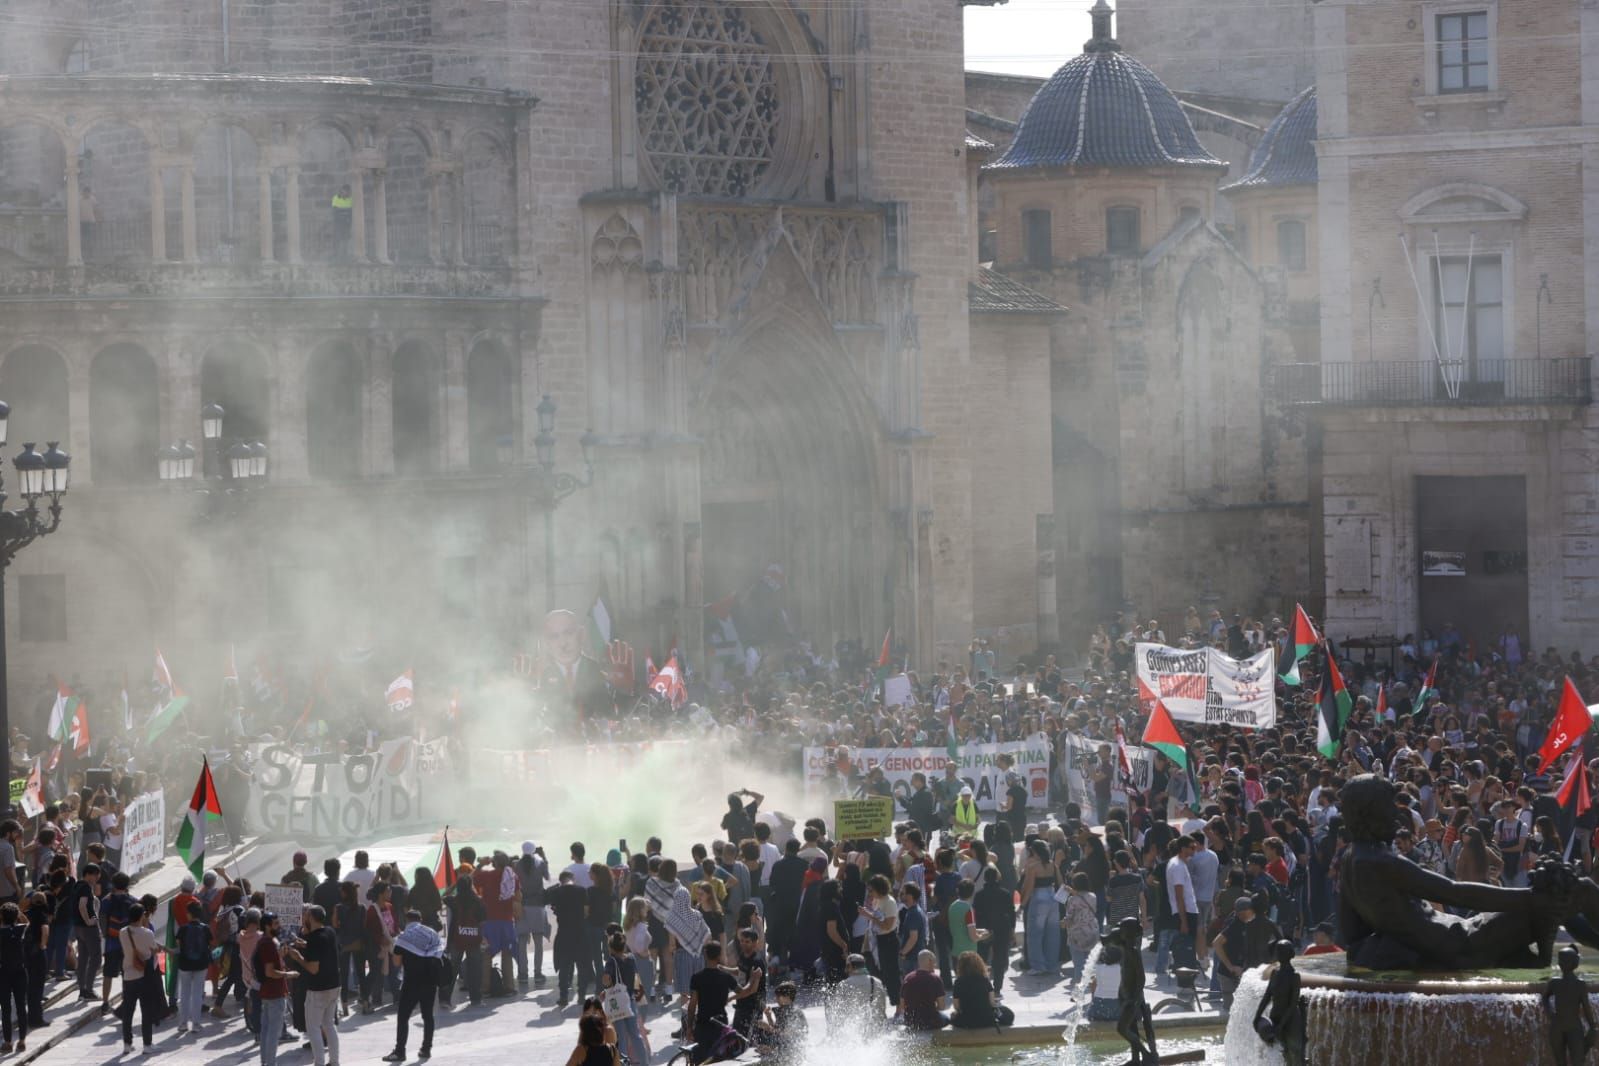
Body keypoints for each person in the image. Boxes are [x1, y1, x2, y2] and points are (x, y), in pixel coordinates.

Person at [384, 910, 442, 1062]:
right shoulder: (432, 933)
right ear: (420, 919)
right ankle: (426, 1049)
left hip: (411, 983)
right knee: (428, 1016)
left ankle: (400, 1051)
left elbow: (396, 963)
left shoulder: (404, 937)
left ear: (406, 921)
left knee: (403, 1017)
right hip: (430, 981)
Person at [286, 905, 340, 1066]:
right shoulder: (329, 931)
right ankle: (334, 1061)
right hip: (334, 985)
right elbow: (320, 947)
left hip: (319, 989)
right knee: (329, 1025)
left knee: (313, 1028)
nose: (303, 919)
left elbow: (313, 968)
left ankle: (319, 1063)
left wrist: (297, 958)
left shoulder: (315, 939)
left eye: (305, 916)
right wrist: (304, 944)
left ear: (311, 918)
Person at [686, 941, 758, 1057]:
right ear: (719, 956)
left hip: (702, 1026)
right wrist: (752, 979)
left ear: (705, 955)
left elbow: (692, 1006)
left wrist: (689, 1027)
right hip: (720, 1027)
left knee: (701, 1057)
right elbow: (745, 991)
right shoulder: (726, 977)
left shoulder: (696, 978)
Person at [116, 902, 159, 1055]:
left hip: (128, 975)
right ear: (141, 916)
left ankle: (127, 1044)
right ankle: (147, 1044)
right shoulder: (147, 933)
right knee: (146, 1010)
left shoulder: (123, 932)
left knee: (128, 1011)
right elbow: (153, 950)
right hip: (144, 976)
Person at [255, 911, 296, 1066]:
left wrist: (281, 956)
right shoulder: (268, 943)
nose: (279, 926)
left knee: (266, 1030)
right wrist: (289, 974)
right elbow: (269, 971)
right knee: (274, 1032)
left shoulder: (267, 942)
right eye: (276, 924)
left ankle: (266, 1061)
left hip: (268, 992)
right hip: (274, 993)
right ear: (267, 926)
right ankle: (270, 1063)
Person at [601, 931, 647, 1066]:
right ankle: (645, 1063)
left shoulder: (611, 962)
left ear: (611, 948)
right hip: (630, 1000)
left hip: (617, 1003)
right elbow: (635, 978)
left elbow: (607, 981)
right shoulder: (631, 959)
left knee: (620, 1036)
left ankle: (623, 1063)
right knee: (635, 1035)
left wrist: (605, 987)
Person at [548, 869, 591, 1008]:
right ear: (573, 878)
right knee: (582, 966)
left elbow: (552, 906)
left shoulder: (556, 892)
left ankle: (563, 997)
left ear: (561, 881)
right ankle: (582, 996)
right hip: (580, 932)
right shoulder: (582, 891)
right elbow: (586, 912)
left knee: (564, 966)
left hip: (564, 933)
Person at [174, 899, 212, 1035]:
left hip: (185, 964)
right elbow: (209, 944)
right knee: (197, 994)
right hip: (201, 964)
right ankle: (196, 1024)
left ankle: (183, 1023)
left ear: (189, 914)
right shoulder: (205, 928)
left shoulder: (183, 929)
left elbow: (179, 946)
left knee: (184, 994)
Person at [951, 950, 1014, 1029]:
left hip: (967, 1021)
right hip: (987, 1020)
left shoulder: (958, 982)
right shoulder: (984, 980)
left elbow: (956, 1006)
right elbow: (992, 1003)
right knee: (1006, 1011)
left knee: (952, 1016)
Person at [827, 952, 887, 1033]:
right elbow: (881, 1010)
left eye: (847, 967)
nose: (846, 970)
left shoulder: (844, 984)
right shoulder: (877, 982)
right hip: (873, 1029)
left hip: (853, 1030)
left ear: (850, 966)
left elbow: (838, 1013)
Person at [71, 860, 101, 1003]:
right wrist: (89, 920)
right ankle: (88, 989)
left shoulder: (77, 885)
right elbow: (82, 905)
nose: (96, 880)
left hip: (78, 927)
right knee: (96, 958)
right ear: (90, 875)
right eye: (96, 876)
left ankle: (82, 989)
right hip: (88, 928)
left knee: (83, 958)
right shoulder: (85, 888)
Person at [898, 948, 947, 1030]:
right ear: (930, 961)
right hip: (930, 1021)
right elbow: (942, 1006)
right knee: (947, 1018)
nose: (934, 965)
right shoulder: (936, 979)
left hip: (911, 1022)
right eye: (934, 962)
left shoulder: (907, 978)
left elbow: (902, 1005)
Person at [0, 903, 25, 1054]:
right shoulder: (22, 929)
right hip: (20, 971)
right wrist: (18, 914)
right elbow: (27, 922)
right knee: (21, 1007)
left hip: (3, 972)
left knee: (6, 1009)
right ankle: (21, 1041)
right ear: (17, 916)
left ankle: (8, 1042)